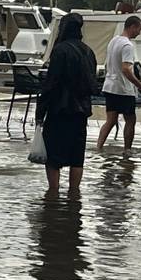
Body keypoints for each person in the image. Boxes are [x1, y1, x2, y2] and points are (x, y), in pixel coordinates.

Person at [35, 12, 98, 195]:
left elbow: (52, 83)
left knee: (53, 156)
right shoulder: (88, 52)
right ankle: (74, 194)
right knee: (77, 156)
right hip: (82, 111)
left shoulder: (60, 50)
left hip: (59, 110)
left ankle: (53, 194)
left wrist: (41, 111)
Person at [96, 15, 141, 152]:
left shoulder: (113, 41)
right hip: (123, 89)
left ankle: (99, 147)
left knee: (111, 120)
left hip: (110, 86)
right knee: (130, 120)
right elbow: (126, 69)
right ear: (132, 27)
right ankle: (127, 150)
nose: (140, 32)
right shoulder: (127, 45)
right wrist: (140, 86)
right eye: (139, 29)